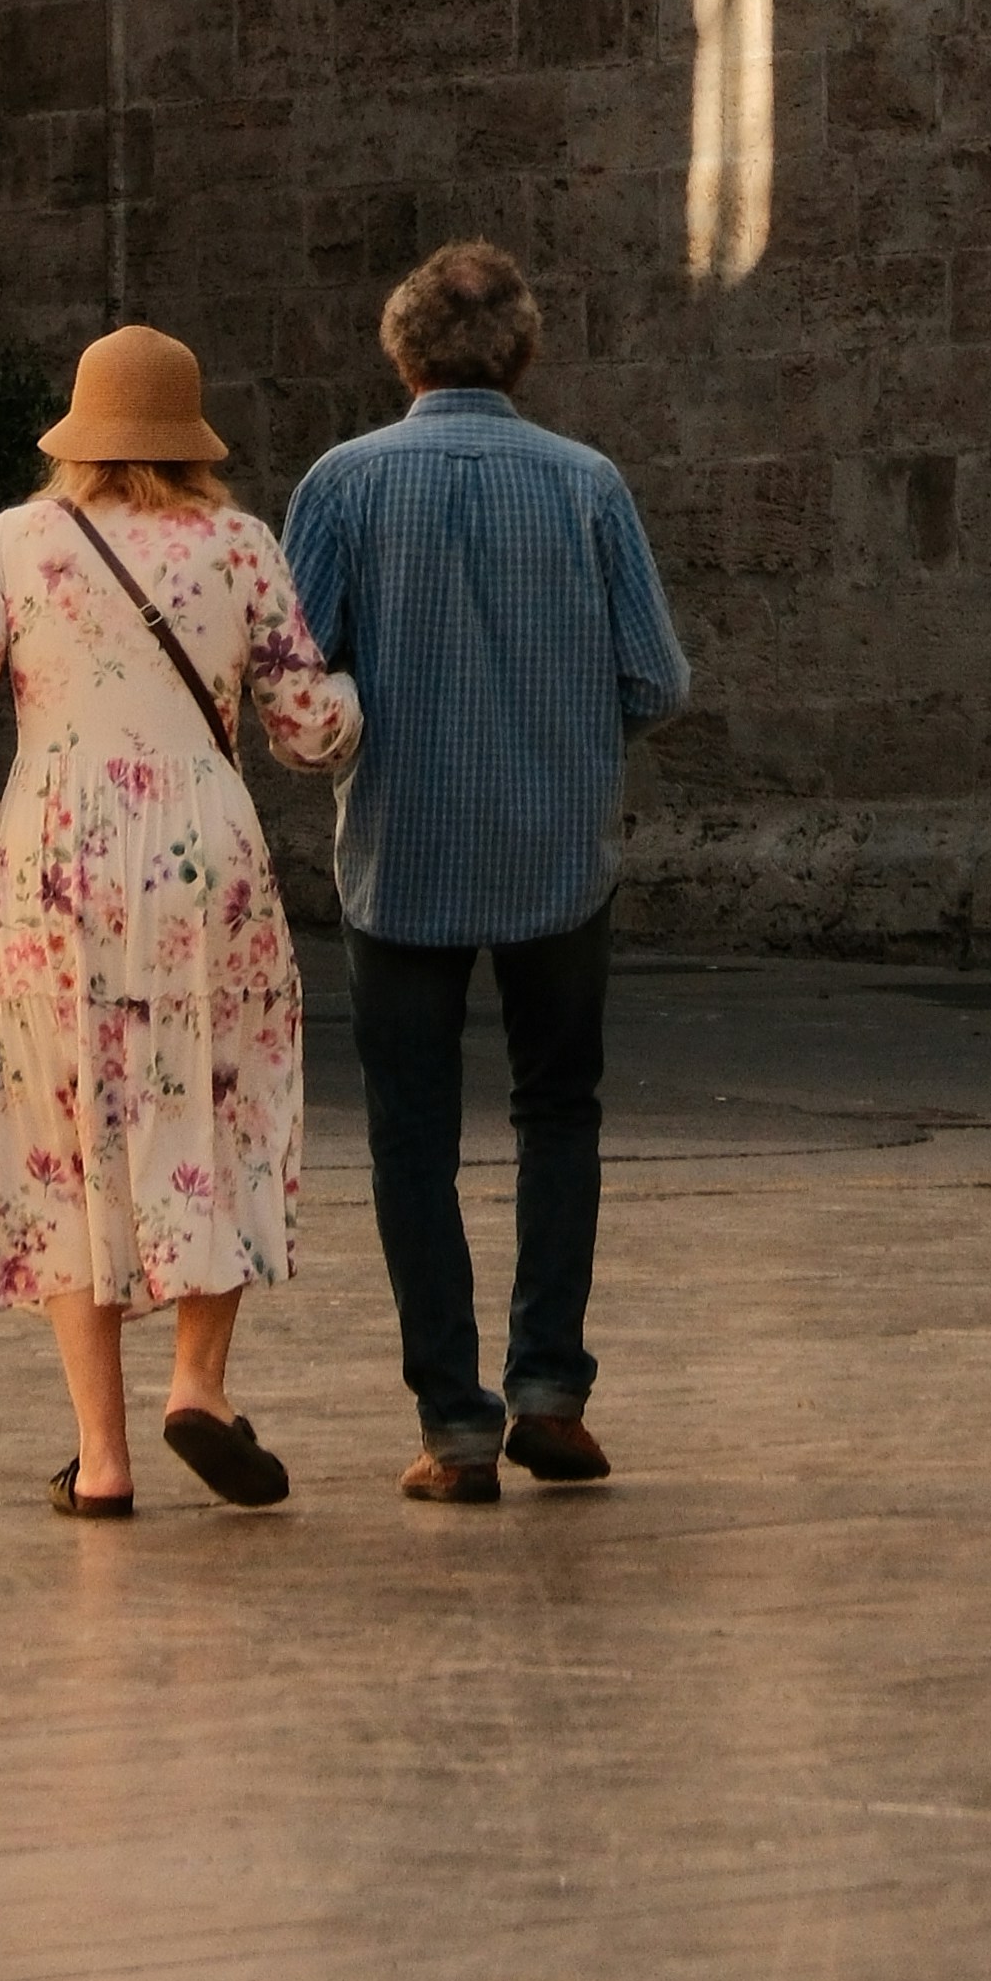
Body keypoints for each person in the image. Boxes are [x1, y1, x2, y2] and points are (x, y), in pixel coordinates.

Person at [0, 322, 361, 1518]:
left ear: (79, 432)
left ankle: (101, 1458)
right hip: (204, 859)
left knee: (65, 1134)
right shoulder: (239, 544)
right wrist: (356, 699)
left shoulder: (17, 541)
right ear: (191, 438)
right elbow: (307, 730)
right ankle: (198, 1385)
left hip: (49, 863)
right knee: (221, 1103)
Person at [280, 241, 688, 1504]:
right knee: (558, 1112)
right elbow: (656, 678)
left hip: (399, 855)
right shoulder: (588, 485)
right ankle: (550, 1388)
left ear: (400, 351)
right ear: (524, 352)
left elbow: (294, 678)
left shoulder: (342, 485)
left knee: (412, 1139)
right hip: (558, 854)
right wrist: (567, 740)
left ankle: (454, 1428)